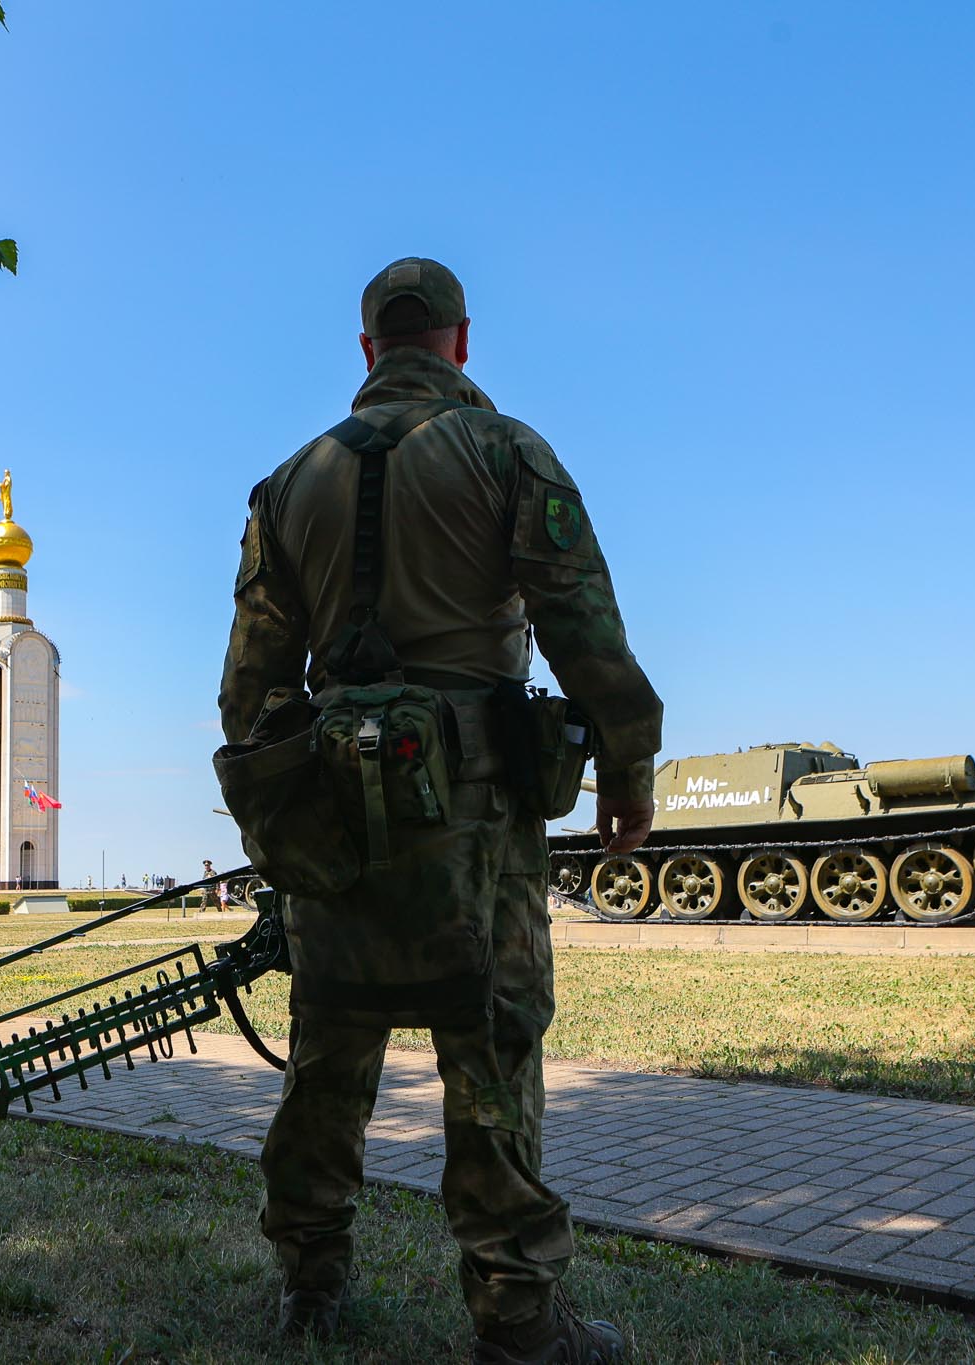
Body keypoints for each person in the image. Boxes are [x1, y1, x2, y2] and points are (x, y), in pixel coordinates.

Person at [218, 259, 662, 1362]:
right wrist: (627, 772)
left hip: (335, 830)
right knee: (490, 1057)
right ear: (459, 343)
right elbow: (585, 632)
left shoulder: (285, 487)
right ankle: (516, 1319)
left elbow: (247, 693)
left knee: (328, 1054)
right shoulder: (508, 452)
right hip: (475, 832)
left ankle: (309, 1286)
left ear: (368, 350)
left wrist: (286, 817)